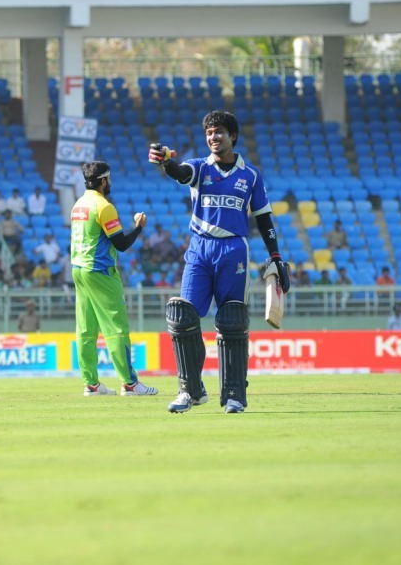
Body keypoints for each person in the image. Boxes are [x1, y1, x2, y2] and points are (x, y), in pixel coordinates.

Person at [148, 110, 290, 414]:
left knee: (232, 320)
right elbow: (180, 173)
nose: (213, 137)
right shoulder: (200, 167)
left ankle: (235, 395)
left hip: (234, 250)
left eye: (219, 132)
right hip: (200, 249)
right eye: (209, 133)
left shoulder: (250, 175)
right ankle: (190, 391)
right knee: (182, 316)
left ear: (232, 136)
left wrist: (276, 256)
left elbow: (264, 219)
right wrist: (166, 162)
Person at [70, 160, 158, 397]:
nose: (110, 183)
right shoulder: (104, 206)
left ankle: (91, 384)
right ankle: (130, 384)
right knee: (116, 328)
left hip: (78, 269)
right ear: (103, 181)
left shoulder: (78, 205)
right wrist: (138, 227)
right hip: (100, 271)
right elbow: (121, 244)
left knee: (86, 329)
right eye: (109, 179)